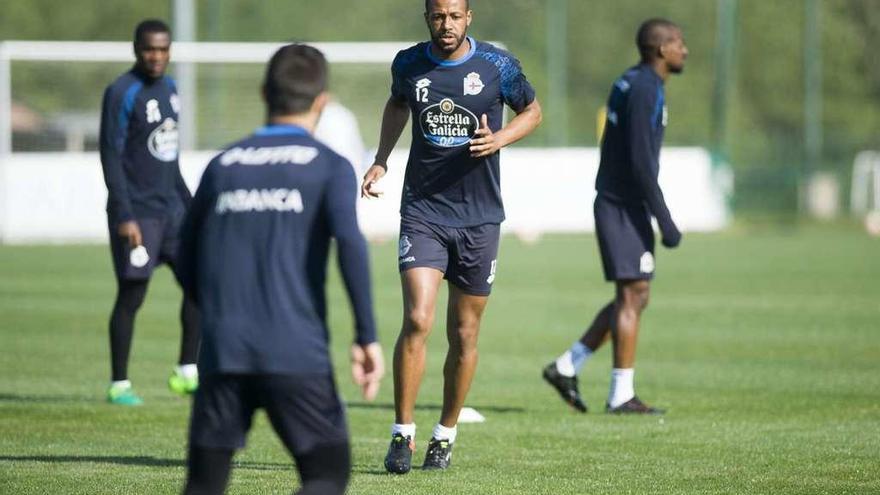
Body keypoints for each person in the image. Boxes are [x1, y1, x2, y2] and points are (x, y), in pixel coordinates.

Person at [177, 43, 385, 495]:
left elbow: (184, 254)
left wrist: (213, 311)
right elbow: (350, 244)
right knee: (327, 474)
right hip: (295, 351)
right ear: (322, 102)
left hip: (223, 352)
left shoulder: (222, 165)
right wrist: (366, 335)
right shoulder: (328, 166)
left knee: (204, 484)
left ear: (263, 93)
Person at [361, 0, 542, 473]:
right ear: (427, 19)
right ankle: (402, 434)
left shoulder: (497, 65)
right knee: (418, 319)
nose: (447, 24)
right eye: (438, 16)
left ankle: (445, 434)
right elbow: (398, 104)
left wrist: (500, 139)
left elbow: (534, 111)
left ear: (469, 18)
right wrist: (381, 157)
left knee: (463, 333)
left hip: (480, 219)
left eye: (455, 16)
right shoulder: (408, 63)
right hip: (423, 212)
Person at [542, 18, 688, 415]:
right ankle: (620, 395)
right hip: (622, 205)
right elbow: (642, 162)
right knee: (632, 295)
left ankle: (566, 366)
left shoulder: (633, 81)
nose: (684, 50)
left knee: (635, 294)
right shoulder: (644, 88)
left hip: (621, 202)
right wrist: (666, 220)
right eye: (678, 43)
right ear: (661, 49)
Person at [98, 19, 199, 406]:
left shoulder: (172, 89)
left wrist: (191, 208)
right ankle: (119, 383)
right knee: (132, 295)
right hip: (137, 213)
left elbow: (168, 156)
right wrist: (124, 215)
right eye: (148, 49)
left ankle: (187, 370)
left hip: (172, 211)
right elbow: (110, 154)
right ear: (136, 49)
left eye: (162, 49)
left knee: (199, 283)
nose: (155, 56)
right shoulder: (122, 92)